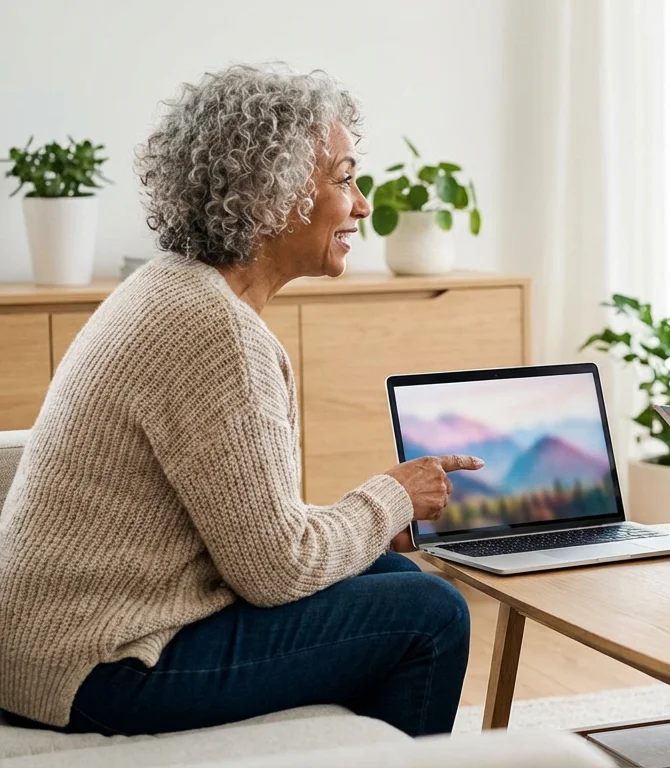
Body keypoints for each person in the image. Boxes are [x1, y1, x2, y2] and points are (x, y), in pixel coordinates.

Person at [0, 65, 477, 737]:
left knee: (389, 565)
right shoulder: (216, 333)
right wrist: (388, 496)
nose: (363, 204)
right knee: (432, 611)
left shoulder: (167, 287)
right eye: (343, 179)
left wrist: (370, 528)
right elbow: (277, 571)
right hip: (99, 666)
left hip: (54, 646)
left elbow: (241, 519)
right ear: (270, 196)